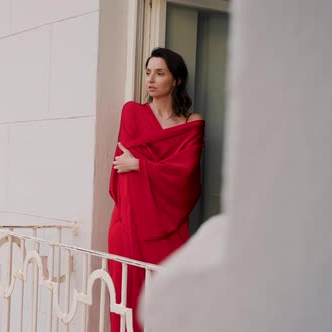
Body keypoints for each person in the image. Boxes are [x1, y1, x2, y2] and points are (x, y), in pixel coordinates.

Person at [108, 47, 205, 332]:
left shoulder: (191, 123)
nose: (151, 79)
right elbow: (121, 171)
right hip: (128, 223)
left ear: (176, 80)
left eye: (160, 73)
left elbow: (185, 175)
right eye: (148, 72)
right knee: (128, 308)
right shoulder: (133, 112)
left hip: (171, 227)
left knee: (170, 310)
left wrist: (140, 164)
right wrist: (147, 167)